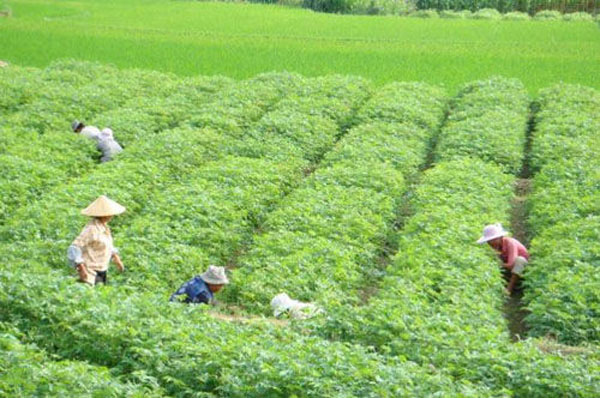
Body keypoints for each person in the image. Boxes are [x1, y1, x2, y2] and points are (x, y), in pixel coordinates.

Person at [67, 195, 126, 285]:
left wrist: (116, 259)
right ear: (104, 215)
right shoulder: (91, 229)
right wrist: (81, 268)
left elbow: (108, 245)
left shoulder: (104, 227)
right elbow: (74, 247)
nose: (112, 216)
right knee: (89, 296)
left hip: (102, 269)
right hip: (90, 271)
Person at [477, 223, 529, 295]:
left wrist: (497, 264)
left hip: (523, 271)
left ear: (500, 237)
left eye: (493, 240)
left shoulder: (510, 243)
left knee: (520, 260)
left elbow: (511, 264)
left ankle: (509, 289)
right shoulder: (497, 247)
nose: (491, 243)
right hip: (510, 270)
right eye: (489, 241)